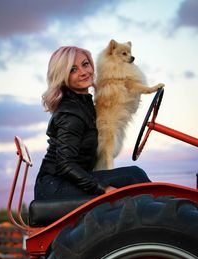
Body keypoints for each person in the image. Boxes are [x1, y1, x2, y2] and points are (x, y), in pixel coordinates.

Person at [34, 46, 150, 202]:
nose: (83, 72)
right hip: (54, 187)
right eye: (73, 70)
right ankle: (160, 217)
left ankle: (156, 212)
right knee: (133, 176)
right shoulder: (71, 113)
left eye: (85, 64)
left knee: (134, 175)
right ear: (62, 76)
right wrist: (102, 188)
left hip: (68, 180)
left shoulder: (85, 103)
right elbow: (65, 164)